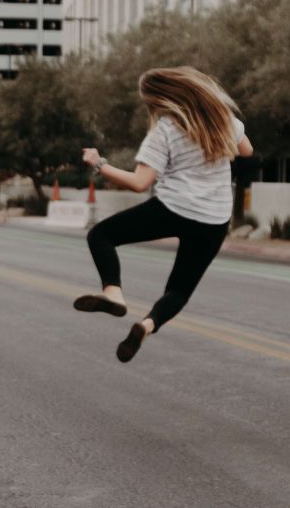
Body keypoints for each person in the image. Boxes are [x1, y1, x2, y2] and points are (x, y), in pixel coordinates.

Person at [77, 66, 254, 363]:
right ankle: (146, 325)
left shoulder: (167, 130)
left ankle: (114, 293)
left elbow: (139, 183)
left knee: (101, 235)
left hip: (174, 208)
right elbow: (246, 150)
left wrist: (99, 163)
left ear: (159, 100)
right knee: (179, 289)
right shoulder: (225, 119)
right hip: (214, 219)